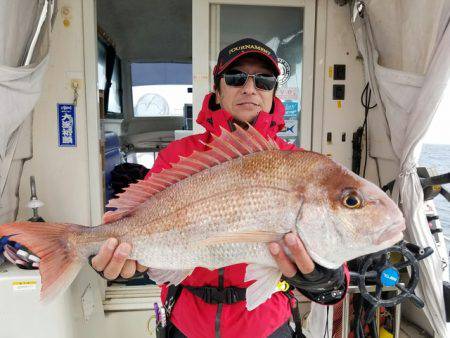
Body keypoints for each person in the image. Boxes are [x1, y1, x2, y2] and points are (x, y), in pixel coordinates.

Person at [91, 38, 348, 338]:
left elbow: (335, 282)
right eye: (236, 77)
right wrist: (127, 260)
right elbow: (143, 224)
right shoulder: (177, 156)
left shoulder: (296, 165)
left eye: (264, 80)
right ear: (217, 89)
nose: (250, 88)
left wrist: (325, 280)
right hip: (187, 320)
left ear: (274, 93)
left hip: (267, 322)